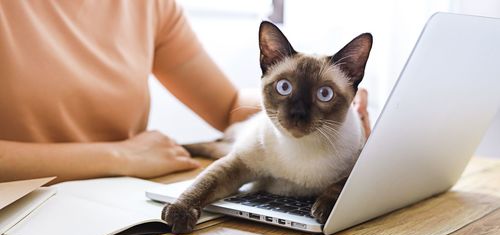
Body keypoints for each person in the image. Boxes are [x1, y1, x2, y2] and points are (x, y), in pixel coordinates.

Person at [0, 0, 370, 184]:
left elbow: (228, 108)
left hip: (118, 206)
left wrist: (329, 113)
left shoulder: (149, 5)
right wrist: (117, 157)